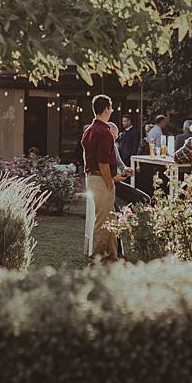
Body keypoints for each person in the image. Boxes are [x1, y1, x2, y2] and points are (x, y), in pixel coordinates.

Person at [81, 94, 119, 261]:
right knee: (103, 219)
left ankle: (113, 256)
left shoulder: (89, 130)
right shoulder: (104, 132)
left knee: (110, 217)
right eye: (110, 108)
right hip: (101, 178)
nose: (111, 111)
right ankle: (96, 257)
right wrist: (110, 182)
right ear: (105, 109)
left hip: (91, 177)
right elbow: (103, 161)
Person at [107, 121, 150, 207]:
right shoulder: (100, 147)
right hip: (106, 183)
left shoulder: (113, 146)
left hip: (115, 182)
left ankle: (126, 213)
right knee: (114, 207)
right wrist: (113, 178)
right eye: (112, 136)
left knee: (145, 199)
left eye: (115, 137)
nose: (114, 139)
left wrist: (125, 169)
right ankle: (124, 213)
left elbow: (120, 163)